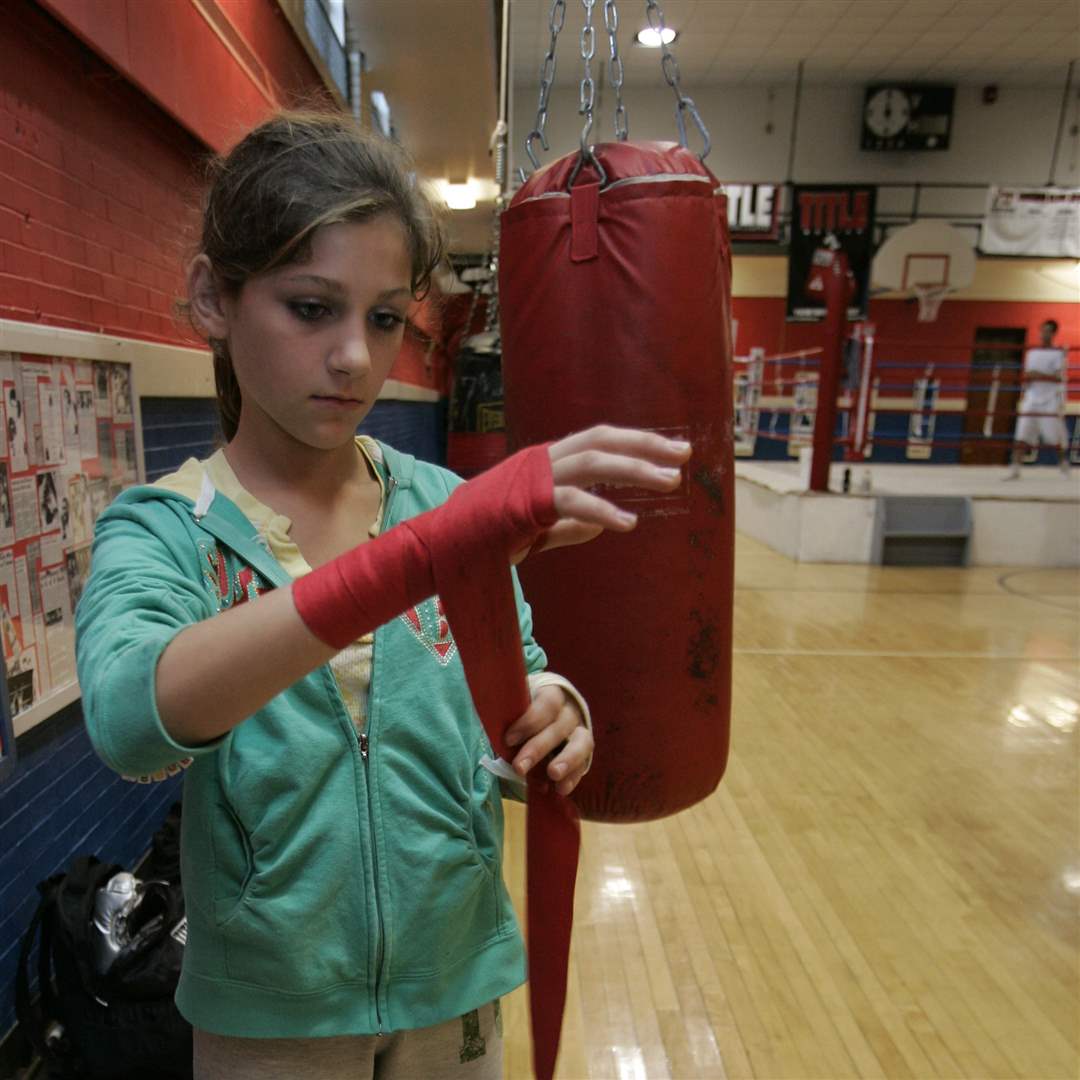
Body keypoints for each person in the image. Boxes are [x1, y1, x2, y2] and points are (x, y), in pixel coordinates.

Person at [74, 111, 691, 1080]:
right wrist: (417, 560)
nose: (358, 358)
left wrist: (554, 716)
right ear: (211, 298)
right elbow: (131, 721)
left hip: (456, 984)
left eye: (386, 317)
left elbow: (507, 697)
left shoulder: (443, 506)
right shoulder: (164, 527)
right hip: (273, 1012)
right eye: (312, 307)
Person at [1006, 319, 1071, 478]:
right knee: (1021, 435)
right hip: (1032, 397)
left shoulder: (1058, 353)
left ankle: (1064, 466)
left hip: (1050, 399)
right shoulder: (1032, 353)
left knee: (1055, 436)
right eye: (1043, 330)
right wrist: (1029, 378)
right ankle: (1015, 470)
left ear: (1053, 333)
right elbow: (1027, 375)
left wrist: (1038, 375)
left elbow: (1058, 377)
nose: (1044, 334)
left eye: (1048, 330)